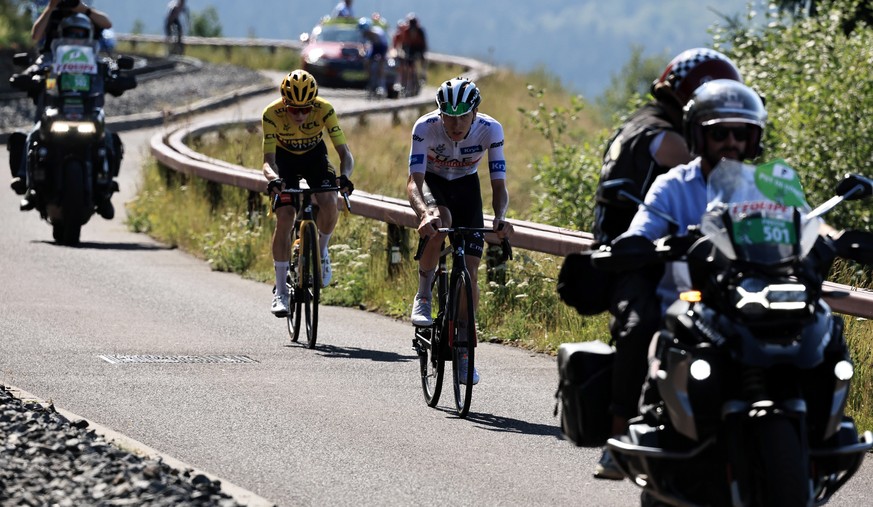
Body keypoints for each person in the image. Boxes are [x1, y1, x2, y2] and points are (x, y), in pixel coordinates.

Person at [590, 48, 744, 480]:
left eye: (737, 129)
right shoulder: (670, 142)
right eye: (719, 127)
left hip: (679, 255)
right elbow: (695, 193)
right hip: (638, 256)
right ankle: (618, 440)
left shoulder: (641, 121)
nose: (728, 139)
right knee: (642, 327)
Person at [407, 77, 514, 385]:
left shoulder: (491, 129)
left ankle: (465, 351)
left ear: (475, 112)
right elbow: (414, 180)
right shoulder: (424, 127)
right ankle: (424, 295)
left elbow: (498, 184)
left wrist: (501, 216)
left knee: (470, 269)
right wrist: (423, 213)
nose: (455, 124)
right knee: (441, 220)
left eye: (462, 116)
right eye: (448, 116)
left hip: (467, 185)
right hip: (433, 183)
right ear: (440, 113)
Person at [12, 3, 119, 219]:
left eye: (80, 34)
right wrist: (52, 7)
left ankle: (105, 191)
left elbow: (107, 24)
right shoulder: (49, 49)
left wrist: (83, 9)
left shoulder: (87, 19)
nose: (76, 37)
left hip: (87, 105)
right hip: (54, 102)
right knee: (34, 134)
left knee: (106, 138)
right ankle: (28, 184)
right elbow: (35, 35)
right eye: (71, 34)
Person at [262, 69, 355, 317]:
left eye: (306, 109)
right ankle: (281, 291)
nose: (301, 114)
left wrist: (345, 176)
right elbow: (268, 160)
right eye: (294, 109)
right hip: (285, 162)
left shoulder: (324, 109)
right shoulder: (271, 114)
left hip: (315, 158)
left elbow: (345, 153)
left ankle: (322, 251)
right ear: (284, 103)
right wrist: (273, 179)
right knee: (285, 215)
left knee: (329, 200)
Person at [357, 17, 388, 98]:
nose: (365, 34)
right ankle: (370, 80)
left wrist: (381, 58)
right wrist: (362, 52)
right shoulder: (364, 33)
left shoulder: (377, 33)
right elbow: (362, 44)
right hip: (374, 47)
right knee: (367, 61)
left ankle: (381, 86)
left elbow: (383, 47)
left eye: (366, 32)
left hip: (382, 46)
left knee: (381, 64)